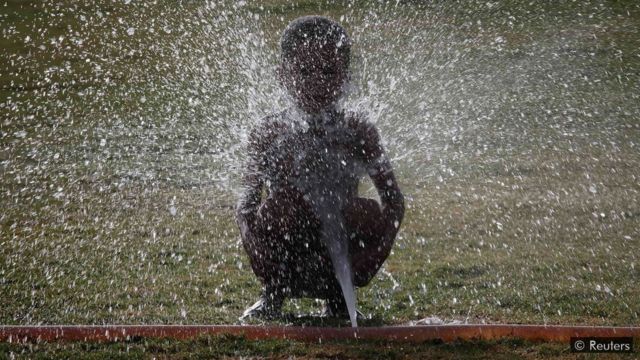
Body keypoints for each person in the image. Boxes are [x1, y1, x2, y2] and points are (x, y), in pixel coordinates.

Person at [236, 15, 404, 319]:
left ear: (346, 78)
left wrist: (375, 254)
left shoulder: (358, 131)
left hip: (343, 249)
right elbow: (245, 206)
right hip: (286, 250)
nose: (316, 81)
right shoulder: (270, 131)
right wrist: (255, 249)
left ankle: (339, 299)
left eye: (328, 71)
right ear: (282, 76)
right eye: (303, 70)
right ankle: (273, 294)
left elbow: (394, 202)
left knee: (364, 213)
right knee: (279, 208)